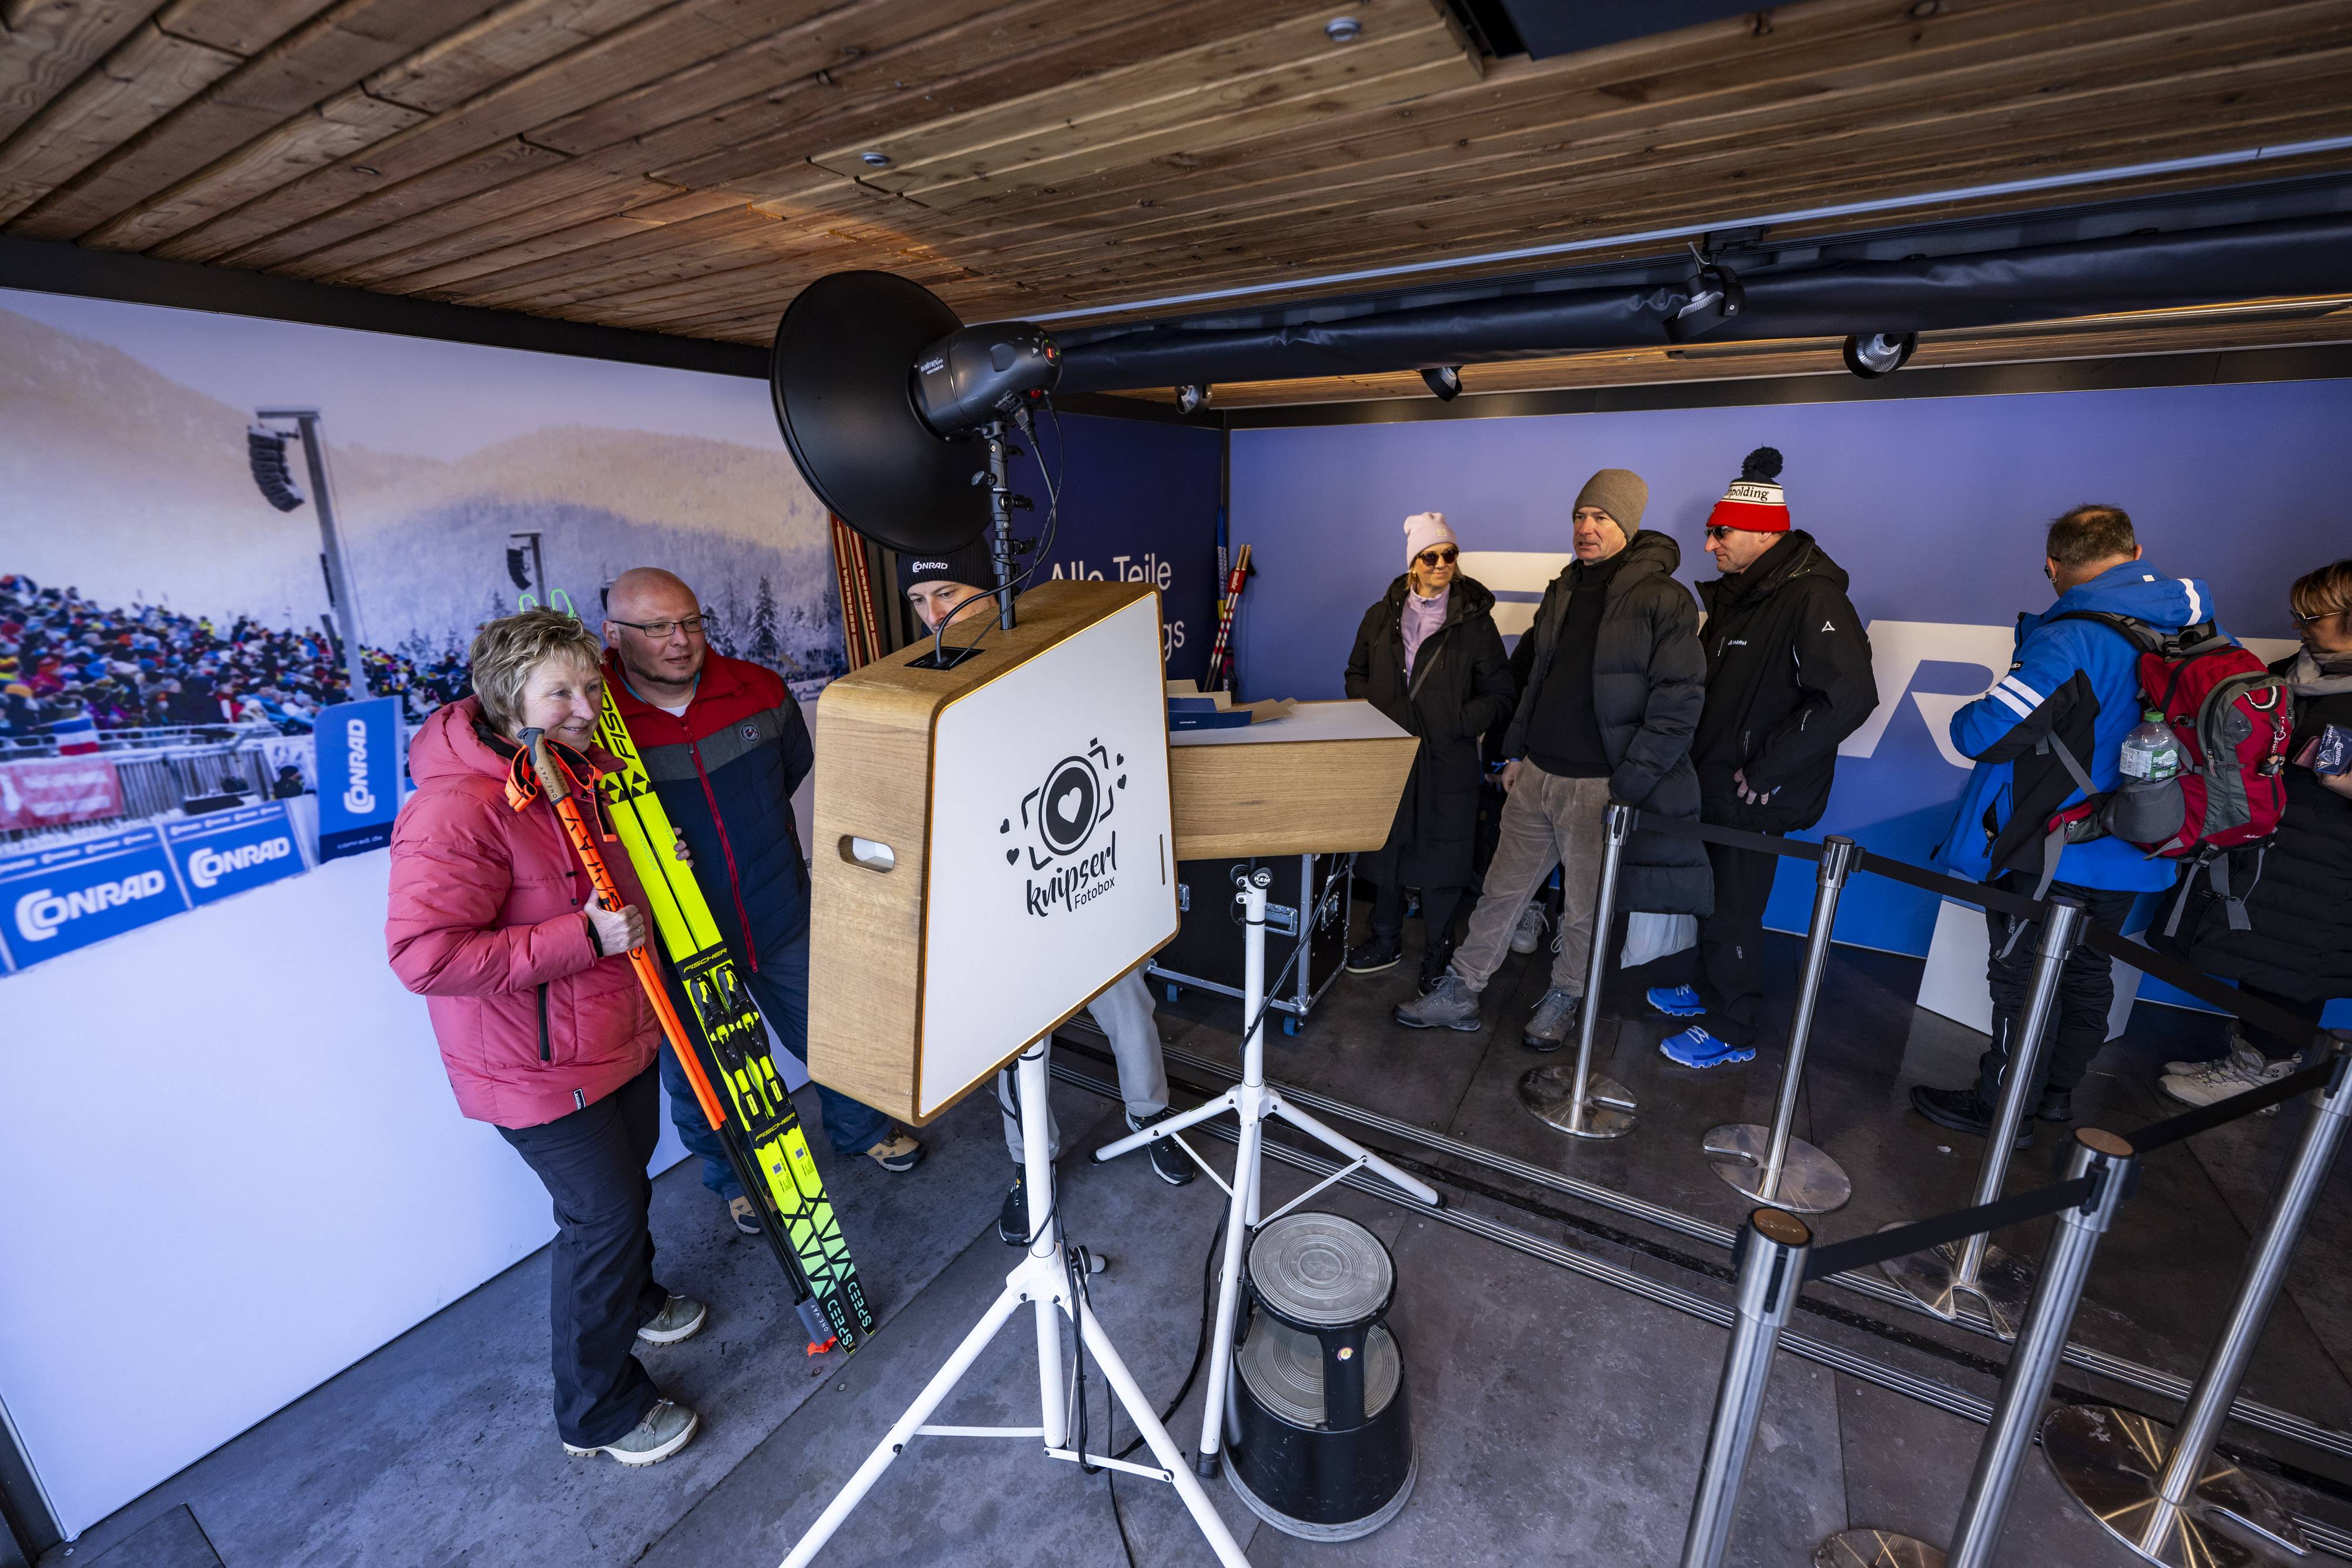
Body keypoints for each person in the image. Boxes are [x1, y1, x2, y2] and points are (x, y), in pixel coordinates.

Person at [386, 609, 703, 1468]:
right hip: (536, 1064)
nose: (585, 704)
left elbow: (595, 884)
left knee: (626, 1189)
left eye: (590, 686)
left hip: (614, 1033)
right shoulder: (455, 807)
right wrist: (583, 938)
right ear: (506, 697)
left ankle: (634, 1298)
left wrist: (653, 861)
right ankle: (598, 1408)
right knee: (600, 1216)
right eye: (559, 690)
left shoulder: (574, 768)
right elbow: (423, 955)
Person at [602, 568, 923, 1241]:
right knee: (705, 1081)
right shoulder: (596, 724)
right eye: (658, 627)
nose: (680, 640)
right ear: (615, 634)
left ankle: (861, 1130)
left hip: (780, 910)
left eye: (690, 622)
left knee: (833, 1033)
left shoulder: (758, 690)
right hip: (678, 941)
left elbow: (792, 771)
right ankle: (741, 1182)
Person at [896, 546, 1195, 1245]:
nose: (934, 614)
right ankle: (1030, 1163)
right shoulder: (926, 677)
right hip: (1008, 900)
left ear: (991, 590)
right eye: (919, 602)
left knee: (1130, 1011)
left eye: (948, 592)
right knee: (1017, 1045)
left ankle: (1151, 1119)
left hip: (1083, 882)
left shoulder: (1052, 650)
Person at [1916, 506, 2217, 1144]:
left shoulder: (2070, 637)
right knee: (2087, 972)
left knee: (2021, 978)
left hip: (2054, 848)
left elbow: (1982, 733)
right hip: (2140, 842)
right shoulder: (2199, 630)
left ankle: (2001, 1109)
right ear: (2137, 553)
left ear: (2053, 567)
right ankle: (2053, 1099)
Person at [1395, 469, 1713, 1047]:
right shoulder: (1563, 588)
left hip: (1601, 787)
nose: (1586, 529)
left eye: (1601, 518)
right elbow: (1536, 679)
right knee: (1501, 894)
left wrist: (1628, 785)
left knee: (1584, 909)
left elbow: (1679, 704)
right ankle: (1461, 990)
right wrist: (1513, 752)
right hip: (1537, 774)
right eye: (1580, 516)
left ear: (1628, 524)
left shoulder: (1663, 599)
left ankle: (1565, 998)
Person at [1648, 449, 1878, 1067]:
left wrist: (1767, 768)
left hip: (1757, 791)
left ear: (1759, 532)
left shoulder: (1811, 599)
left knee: (1736, 908)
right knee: (1714, 898)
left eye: (1719, 532)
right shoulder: (1742, 596)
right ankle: (1705, 990)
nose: (1709, 545)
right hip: (1718, 782)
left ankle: (1732, 1026)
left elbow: (1848, 697)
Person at [2161, 558, 2352, 1105]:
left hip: (2331, 863)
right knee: (2265, 954)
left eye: (2312, 616)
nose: (2299, 625)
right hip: (2277, 842)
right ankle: (2250, 1059)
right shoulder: (2293, 668)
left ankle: (2263, 1076)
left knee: (2294, 968)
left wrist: (2342, 782)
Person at [1342, 511, 1516, 991]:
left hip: (1448, 760)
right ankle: (1385, 937)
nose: (1442, 563)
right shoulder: (1381, 616)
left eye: (1450, 554)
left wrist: (1458, 723)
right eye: (1431, 555)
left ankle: (1439, 949)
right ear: (1413, 563)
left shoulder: (1474, 625)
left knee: (1444, 859)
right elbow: (1355, 672)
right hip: (1393, 757)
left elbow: (1502, 694)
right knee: (1389, 851)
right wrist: (1374, 710)